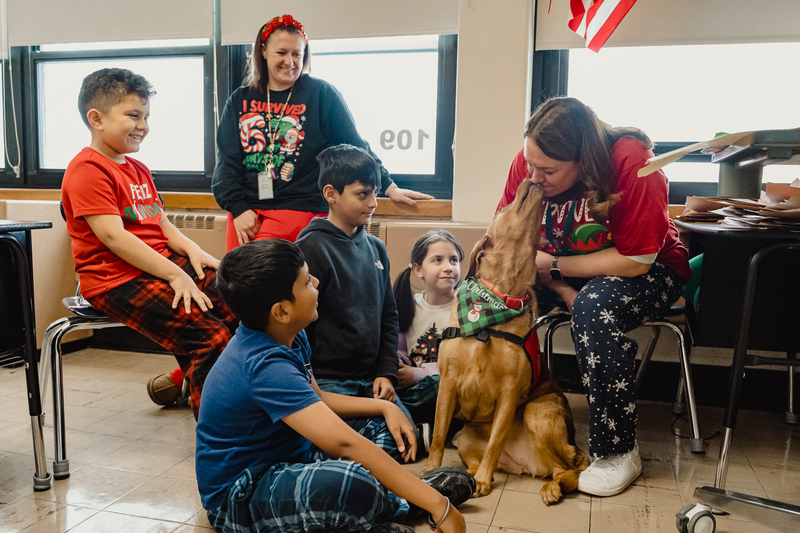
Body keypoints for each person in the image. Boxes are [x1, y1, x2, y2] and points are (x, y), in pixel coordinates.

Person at [196, 238, 474, 533]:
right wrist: (439, 506)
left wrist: (384, 407)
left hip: (294, 457)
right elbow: (343, 443)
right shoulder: (263, 365)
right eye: (306, 282)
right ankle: (399, 503)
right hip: (241, 496)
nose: (316, 281)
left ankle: (376, 509)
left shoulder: (288, 333)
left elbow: (318, 397)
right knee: (347, 483)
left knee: (386, 428)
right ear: (281, 311)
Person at [496, 97, 692, 497]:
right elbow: (509, 236)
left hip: (648, 271)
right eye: (531, 164)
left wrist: (557, 270)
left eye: (548, 170)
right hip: (560, 272)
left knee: (593, 306)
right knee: (488, 293)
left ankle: (618, 451)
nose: (534, 177)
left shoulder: (632, 162)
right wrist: (560, 285)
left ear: (583, 160)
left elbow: (636, 260)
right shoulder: (533, 161)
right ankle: (488, 417)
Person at [61, 68, 238, 419]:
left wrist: (195, 253)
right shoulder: (87, 169)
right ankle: (219, 431)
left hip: (157, 267)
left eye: (146, 117)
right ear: (95, 118)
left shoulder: (138, 169)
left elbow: (162, 224)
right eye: (132, 115)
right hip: (115, 280)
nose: (143, 125)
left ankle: (238, 401)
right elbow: (114, 237)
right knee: (211, 339)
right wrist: (176, 275)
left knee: (239, 307)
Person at [212, 13, 432, 251]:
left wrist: (389, 187)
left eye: (298, 53)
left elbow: (356, 147)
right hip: (246, 214)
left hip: (299, 209)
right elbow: (227, 162)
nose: (290, 61)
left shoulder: (322, 94)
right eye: (281, 53)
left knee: (268, 282)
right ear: (263, 51)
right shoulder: (240, 99)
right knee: (238, 283)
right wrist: (239, 208)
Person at [295, 145, 403, 410]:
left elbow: (388, 315)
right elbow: (298, 325)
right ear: (331, 194)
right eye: (362, 194)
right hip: (328, 380)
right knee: (376, 443)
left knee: (402, 438)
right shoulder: (310, 248)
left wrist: (386, 372)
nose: (373, 203)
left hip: (371, 378)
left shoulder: (377, 248)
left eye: (375, 193)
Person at [391, 230, 464, 445]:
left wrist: (416, 374)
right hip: (414, 391)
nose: (448, 267)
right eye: (437, 260)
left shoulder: (465, 310)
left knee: (441, 385)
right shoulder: (408, 304)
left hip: (449, 388)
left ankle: (411, 423)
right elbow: (400, 350)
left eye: (454, 260)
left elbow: (462, 366)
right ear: (418, 269)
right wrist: (399, 368)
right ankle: (417, 426)